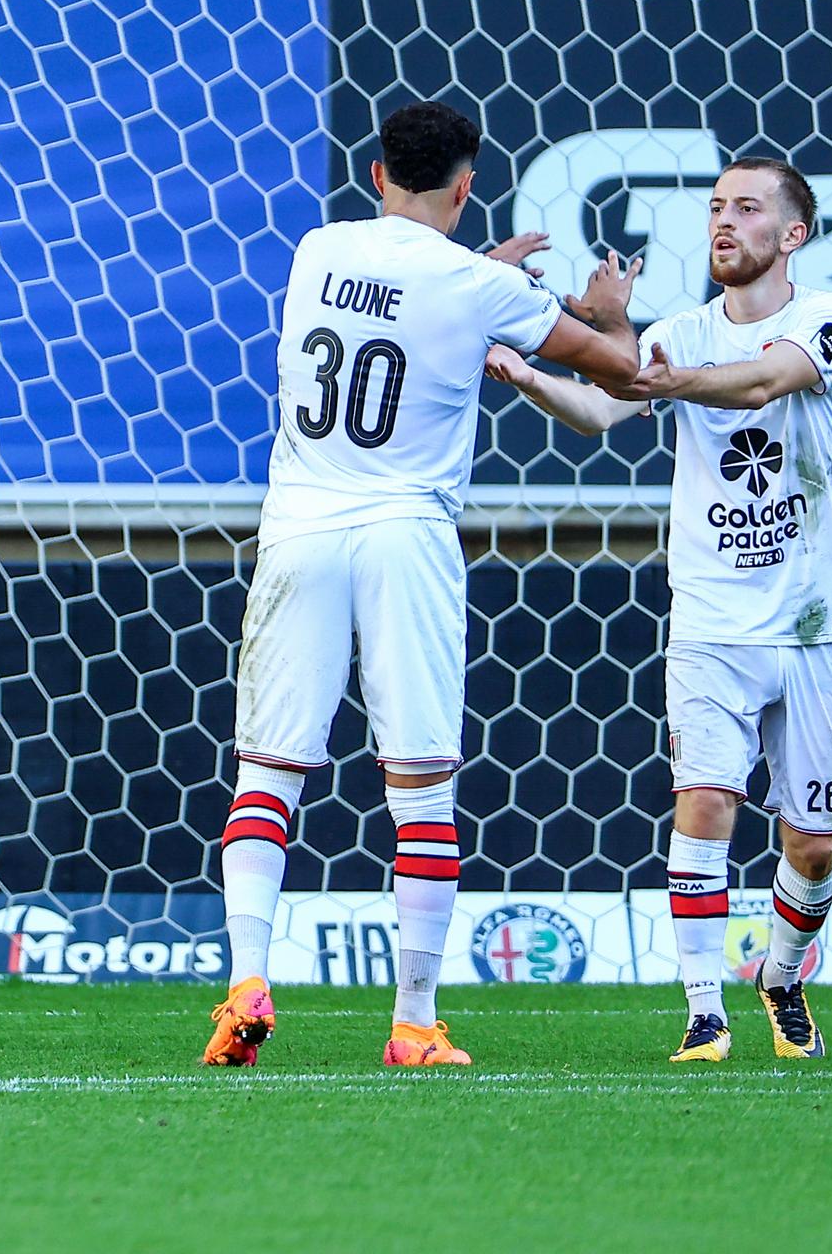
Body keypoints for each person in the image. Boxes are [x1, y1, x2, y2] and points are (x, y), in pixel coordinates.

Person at [204, 100, 643, 1068]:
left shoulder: (319, 250)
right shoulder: (476, 289)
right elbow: (614, 372)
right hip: (406, 533)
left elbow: (406, 292)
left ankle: (244, 984)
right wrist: (607, 313)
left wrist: (478, 271)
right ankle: (412, 1019)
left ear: (373, 175)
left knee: (268, 771)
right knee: (421, 783)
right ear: (466, 185)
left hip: (302, 525)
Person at [488, 156, 832, 1062]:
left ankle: (780, 976)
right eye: (716, 208)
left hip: (817, 622)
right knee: (703, 802)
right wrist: (535, 377)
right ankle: (704, 1010)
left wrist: (647, 370)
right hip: (710, 620)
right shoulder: (683, 331)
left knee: (814, 846)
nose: (723, 222)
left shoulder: (830, 319)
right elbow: (605, 409)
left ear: (794, 234)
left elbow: (762, 383)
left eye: (747, 208)